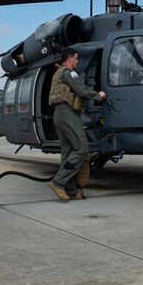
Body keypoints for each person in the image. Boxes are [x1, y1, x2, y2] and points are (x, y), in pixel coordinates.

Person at [47, 46, 106, 201]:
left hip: (59, 115)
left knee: (68, 152)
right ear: (70, 58)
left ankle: (71, 189)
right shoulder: (68, 73)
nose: (78, 61)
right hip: (68, 114)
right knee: (82, 149)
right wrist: (98, 96)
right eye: (76, 58)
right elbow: (82, 90)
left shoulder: (58, 73)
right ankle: (58, 182)